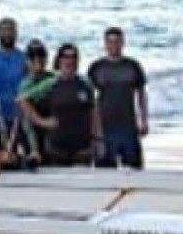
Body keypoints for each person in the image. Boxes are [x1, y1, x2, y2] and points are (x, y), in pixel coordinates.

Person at [26, 42, 95, 165]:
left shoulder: (86, 84)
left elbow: (93, 112)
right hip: (56, 147)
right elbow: (22, 99)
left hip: (83, 148)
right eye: (66, 57)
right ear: (60, 60)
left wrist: (97, 138)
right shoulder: (50, 83)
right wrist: (41, 121)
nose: (70, 60)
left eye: (73, 57)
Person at [89, 27, 148, 168]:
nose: (114, 45)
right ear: (105, 44)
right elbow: (92, 101)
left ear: (123, 43)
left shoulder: (133, 66)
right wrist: (95, 129)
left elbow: (141, 95)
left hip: (129, 126)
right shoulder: (96, 67)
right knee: (105, 172)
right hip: (105, 127)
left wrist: (144, 120)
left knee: (134, 171)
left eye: (117, 41)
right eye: (110, 42)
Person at [13, 41, 55, 162]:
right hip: (31, 131)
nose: (37, 61)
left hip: (51, 127)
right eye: (33, 58)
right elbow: (22, 117)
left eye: (41, 57)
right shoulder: (25, 84)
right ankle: (34, 151)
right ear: (28, 61)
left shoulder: (52, 78)